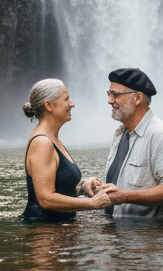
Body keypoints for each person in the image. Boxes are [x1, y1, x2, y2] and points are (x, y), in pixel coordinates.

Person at [79, 67, 163, 218]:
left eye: (115, 95)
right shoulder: (120, 133)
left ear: (137, 98)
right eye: (109, 94)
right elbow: (124, 187)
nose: (109, 101)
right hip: (120, 234)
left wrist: (123, 196)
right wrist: (97, 186)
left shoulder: (161, 135)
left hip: (150, 237)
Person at [21, 78, 113, 222]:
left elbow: (58, 187)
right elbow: (46, 199)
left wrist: (83, 187)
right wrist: (92, 203)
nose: (72, 104)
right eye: (66, 99)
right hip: (44, 233)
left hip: (56, 232)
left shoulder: (52, 139)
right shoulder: (42, 142)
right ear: (49, 105)